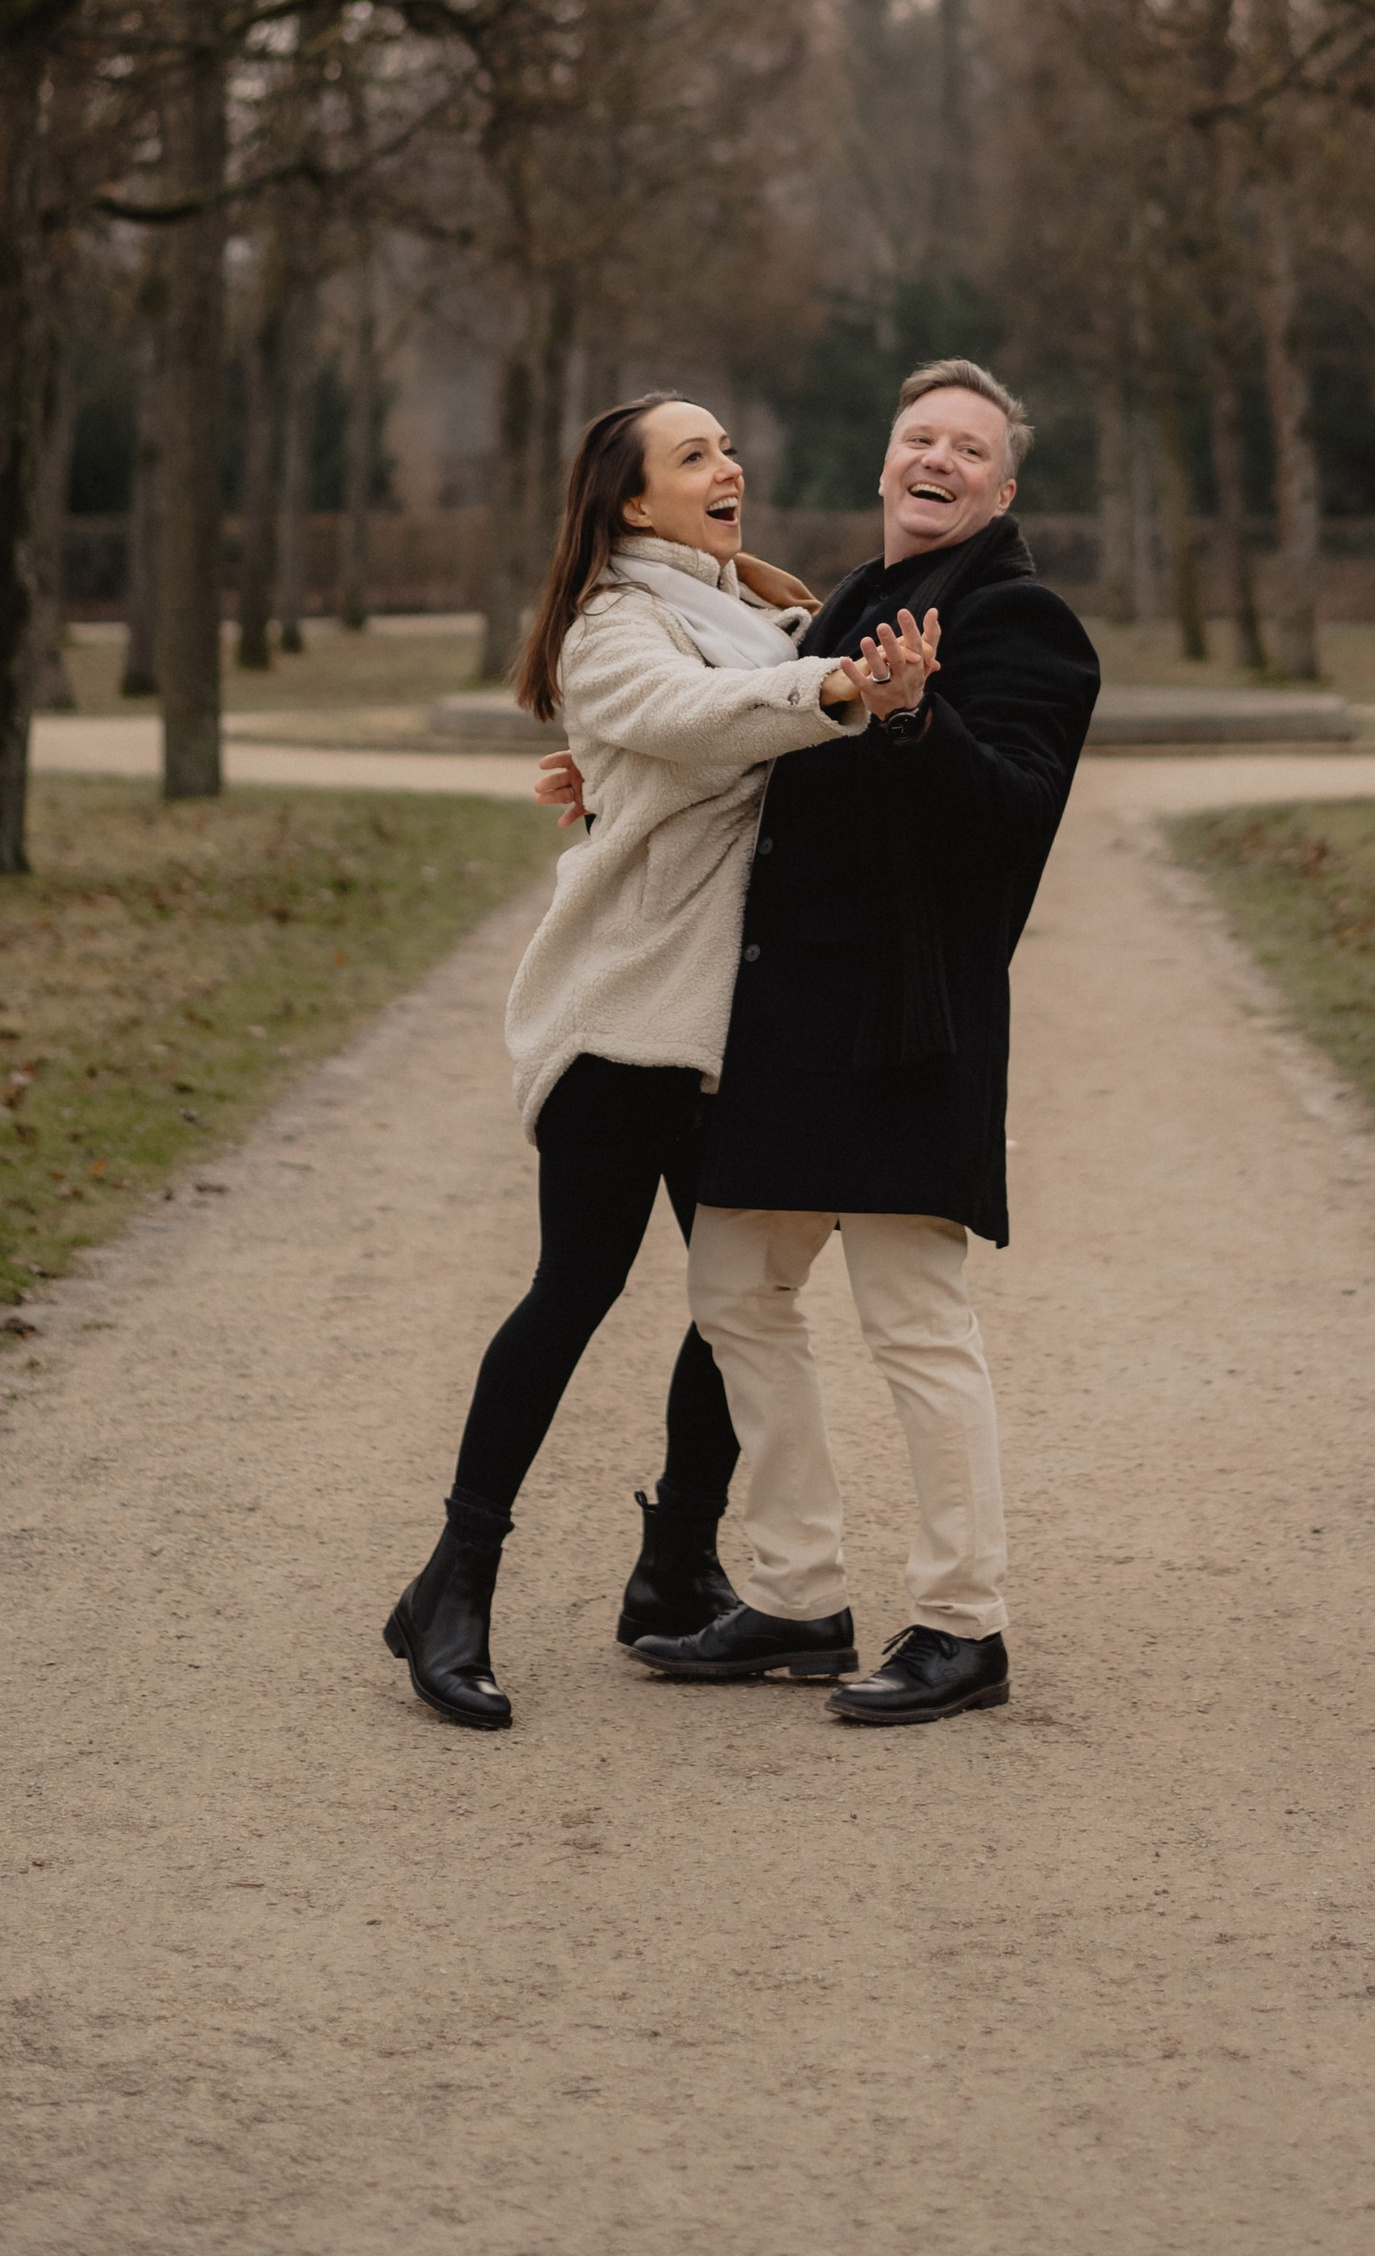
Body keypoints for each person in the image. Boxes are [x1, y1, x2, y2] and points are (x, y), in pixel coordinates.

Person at [383, 393, 935, 1730]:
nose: (729, 464)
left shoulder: (760, 607)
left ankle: (673, 1570)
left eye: (729, 445)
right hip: (622, 1021)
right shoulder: (613, 628)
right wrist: (838, 688)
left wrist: (861, 689)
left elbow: (766, 743)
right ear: (632, 503)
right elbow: (700, 718)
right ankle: (456, 1587)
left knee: (729, 1305)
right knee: (572, 1293)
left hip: (727, 1035)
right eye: (695, 455)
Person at [631, 356, 1099, 1726]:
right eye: (918, 436)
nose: (935, 456)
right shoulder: (842, 605)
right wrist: (613, 800)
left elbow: (1012, 820)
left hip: (906, 1029)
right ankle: (793, 1594)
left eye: (966, 445)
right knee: (733, 1291)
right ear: (887, 462)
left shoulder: (1025, 624)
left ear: (999, 488)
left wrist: (913, 722)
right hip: (788, 1033)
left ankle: (965, 1627)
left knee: (914, 1327)